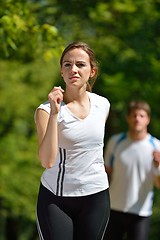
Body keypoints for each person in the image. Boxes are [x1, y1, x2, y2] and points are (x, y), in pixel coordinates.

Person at [35, 41, 110, 240]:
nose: (73, 69)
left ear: (92, 71)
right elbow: (47, 161)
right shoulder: (45, 111)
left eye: (80, 65)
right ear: (61, 71)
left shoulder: (103, 105)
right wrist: (54, 113)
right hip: (56, 199)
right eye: (67, 64)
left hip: (96, 196)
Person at [103, 100, 160, 240]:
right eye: (134, 115)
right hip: (113, 209)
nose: (137, 119)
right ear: (128, 118)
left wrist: (157, 166)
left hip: (141, 212)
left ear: (148, 119)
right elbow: (106, 173)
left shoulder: (157, 147)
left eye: (141, 115)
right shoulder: (115, 142)